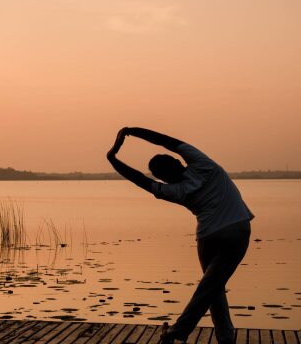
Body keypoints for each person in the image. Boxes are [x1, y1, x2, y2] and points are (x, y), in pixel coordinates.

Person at [106, 127, 254, 344]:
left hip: (209, 236)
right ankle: (221, 337)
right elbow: (167, 141)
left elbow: (139, 179)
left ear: (164, 178)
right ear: (178, 161)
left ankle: (181, 332)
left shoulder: (174, 191)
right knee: (212, 287)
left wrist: (112, 158)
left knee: (211, 287)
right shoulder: (204, 165)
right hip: (237, 229)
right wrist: (133, 131)